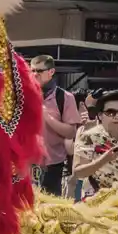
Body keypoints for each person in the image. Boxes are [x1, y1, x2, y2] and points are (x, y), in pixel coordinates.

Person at [72, 90, 118, 194]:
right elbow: (78, 172)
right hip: (96, 200)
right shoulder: (88, 137)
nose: (117, 116)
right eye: (111, 112)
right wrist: (103, 160)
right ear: (100, 115)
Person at [30, 54, 81, 196]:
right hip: (26, 163)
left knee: (50, 209)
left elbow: (71, 132)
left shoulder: (64, 97)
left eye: (39, 71)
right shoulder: (24, 95)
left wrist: (47, 117)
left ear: (51, 72)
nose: (35, 74)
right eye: (32, 71)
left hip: (53, 165)